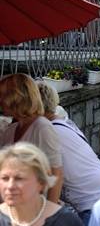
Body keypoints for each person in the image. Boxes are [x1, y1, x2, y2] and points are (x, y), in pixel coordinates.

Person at [38, 84, 100, 225]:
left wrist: (48, 216)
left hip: (92, 203)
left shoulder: (48, 132)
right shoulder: (65, 123)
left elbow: (54, 176)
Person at [0, 74, 64, 203]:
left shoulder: (42, 128)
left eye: (2, 95)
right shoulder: (10, 130)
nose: (0, 100)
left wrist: (49, 212)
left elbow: (56, 174)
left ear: (16, 97)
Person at [0, 143, 82, 226]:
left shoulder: (66, 221)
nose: (10, 186)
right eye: (5, 178)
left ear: (41, 182)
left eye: (19, 178)